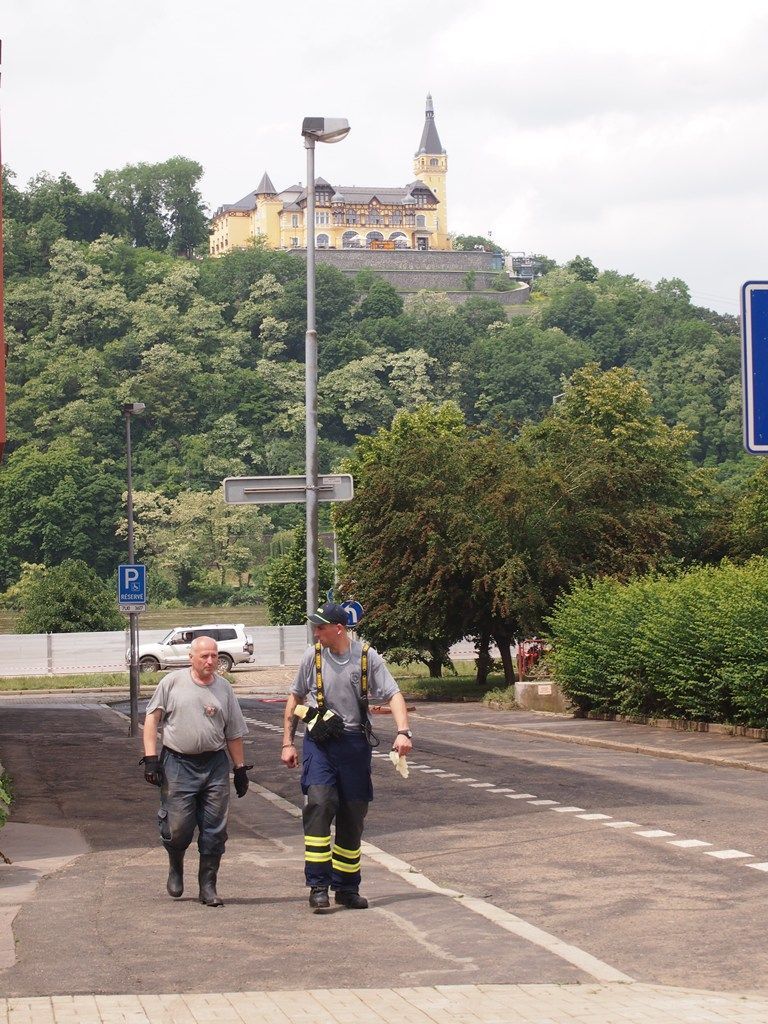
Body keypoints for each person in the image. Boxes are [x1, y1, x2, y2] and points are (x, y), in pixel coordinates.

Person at [281, 603, 412, 912]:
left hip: (355, 745)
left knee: (353, 817)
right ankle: (318, 886)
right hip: (320, 745)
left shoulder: (367, 656)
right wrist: (288, 742)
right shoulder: (311, 657)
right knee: (320, 804)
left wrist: (403, 731)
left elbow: (394, 694)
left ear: (338, 628)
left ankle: (347, 888)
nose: (315, 632)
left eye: (320, 627)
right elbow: (295, 697)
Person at [140, 634, 251, 907]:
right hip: (178, 764)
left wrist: (240, 768)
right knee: (178, 828)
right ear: (191, 657)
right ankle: (176, 865)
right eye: (204, 656)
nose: (210, 661)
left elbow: (233, 733)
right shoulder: (173, 683)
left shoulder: (224, 688)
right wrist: (151, 758)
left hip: (214, 765)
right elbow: (152, 720)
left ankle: (208, 885)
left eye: (214, 655)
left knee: (215, 829)